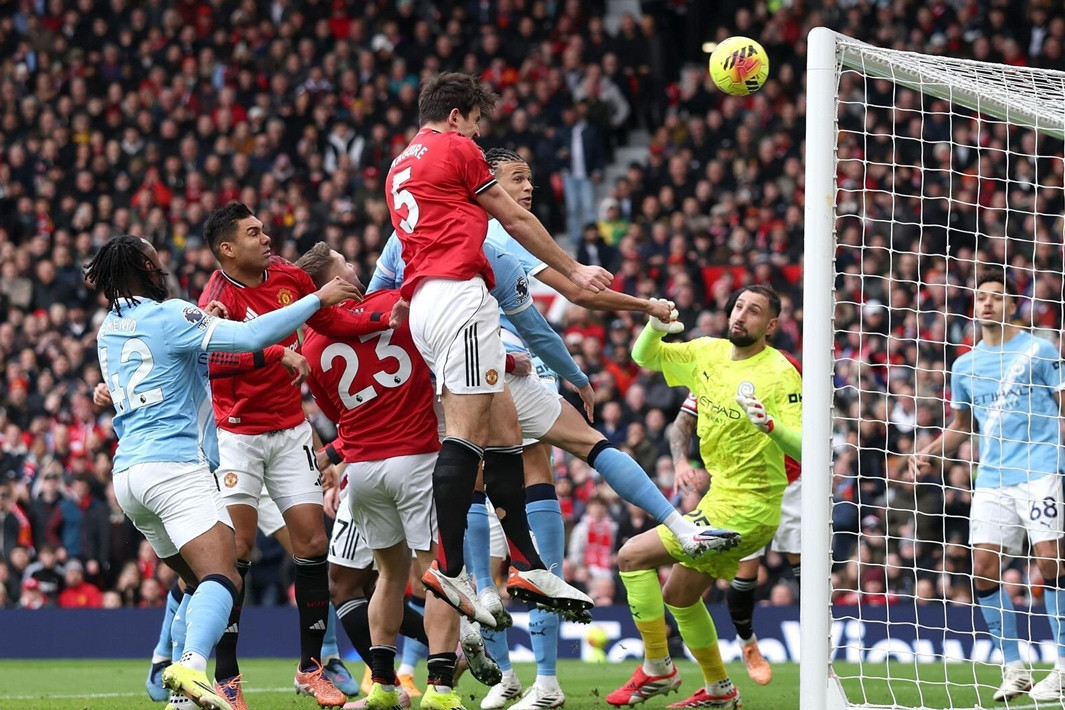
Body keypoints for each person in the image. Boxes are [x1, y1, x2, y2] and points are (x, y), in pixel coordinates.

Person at [374, 146, 738, 710]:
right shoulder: (489, 238)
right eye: (517, 179)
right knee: (556, 453)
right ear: (483, 180)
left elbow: (380, 300)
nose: (528, 191)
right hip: (491, 360)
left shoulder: (410, 232)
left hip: (449, 370)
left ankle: (498, 638)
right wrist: (636, 310)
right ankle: (512, 603)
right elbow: (562, 301)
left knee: (484, 481)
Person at [384, 72, 610, 709]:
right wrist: (575, 270)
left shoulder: (402, 163)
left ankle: (527, 563)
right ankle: (450, 570)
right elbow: (513, 215)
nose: (481, 134)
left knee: (505, 430)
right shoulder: (456, 150)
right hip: (460, 297)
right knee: (468, 434)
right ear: (458, 116)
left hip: (428, 301)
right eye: (479, 121)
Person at [87, 234, 359, 710]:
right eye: (155, 257)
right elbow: (251, 337)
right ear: (147, 268)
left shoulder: (108, 328)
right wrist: (319, 297)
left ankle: (173, 683)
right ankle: (191, 668)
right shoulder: (171, 314)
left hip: (128, 476)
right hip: (174, 468)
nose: (162, 263)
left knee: (197, 582)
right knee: (225, 576)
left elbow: (194, 359)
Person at [197, 203, 391, 709]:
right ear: (227, 249)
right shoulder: (215, 298)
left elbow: (329, 320)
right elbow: (211, 363)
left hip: (290, 433)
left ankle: (310, 668)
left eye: (263, 229)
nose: (266, 238)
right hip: (237, 434)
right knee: (236, 552)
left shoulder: (286, 275)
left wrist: (383, 314)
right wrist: (274, 353)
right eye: (253, 233)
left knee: (311, 542)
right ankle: (226, 677)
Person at [298, 243, 501, 710]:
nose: (353, 267)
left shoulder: (311, 345)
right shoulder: (393, 307)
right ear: (334, 282)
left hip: (364, 472)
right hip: (416, 458)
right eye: (343, 264)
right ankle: (442, 689)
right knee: (438, 574)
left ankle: (385, 686)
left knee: (388, 575)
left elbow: (335, 417)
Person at [604, 285, 802, 710]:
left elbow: (808, 449)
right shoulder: (708, 352)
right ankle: (719, 689)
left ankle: (658, 665)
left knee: (631, 556)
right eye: (738, 306)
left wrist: (773, 428)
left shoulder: (781, 373)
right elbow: (644, 357)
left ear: (770, 326)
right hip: (717, 499)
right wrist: (655, 327)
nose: (741, 315)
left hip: (752, 508)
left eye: (754, 311)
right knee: (679, 597)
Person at [912, 266, 1065, 703]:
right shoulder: (965, 364)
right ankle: (1014, 668)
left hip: (1041, 471)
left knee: (1051, 562)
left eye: (996, 296)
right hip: (993, 479)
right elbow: (962, 425)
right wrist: (931, 452)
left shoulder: (1040, 351)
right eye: (981, 297)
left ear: (1012, 305)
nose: (987, 303)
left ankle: (1063, 667)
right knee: (982, 568)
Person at [671, 384, 802, 687]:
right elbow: (684, 419)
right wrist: (680, 461)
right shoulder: (714, 372)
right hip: (744, 487)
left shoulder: (783, 370)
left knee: (806, 568)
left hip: (794, 481)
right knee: (745, 570)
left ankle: (822, 652)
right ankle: (748, 642)